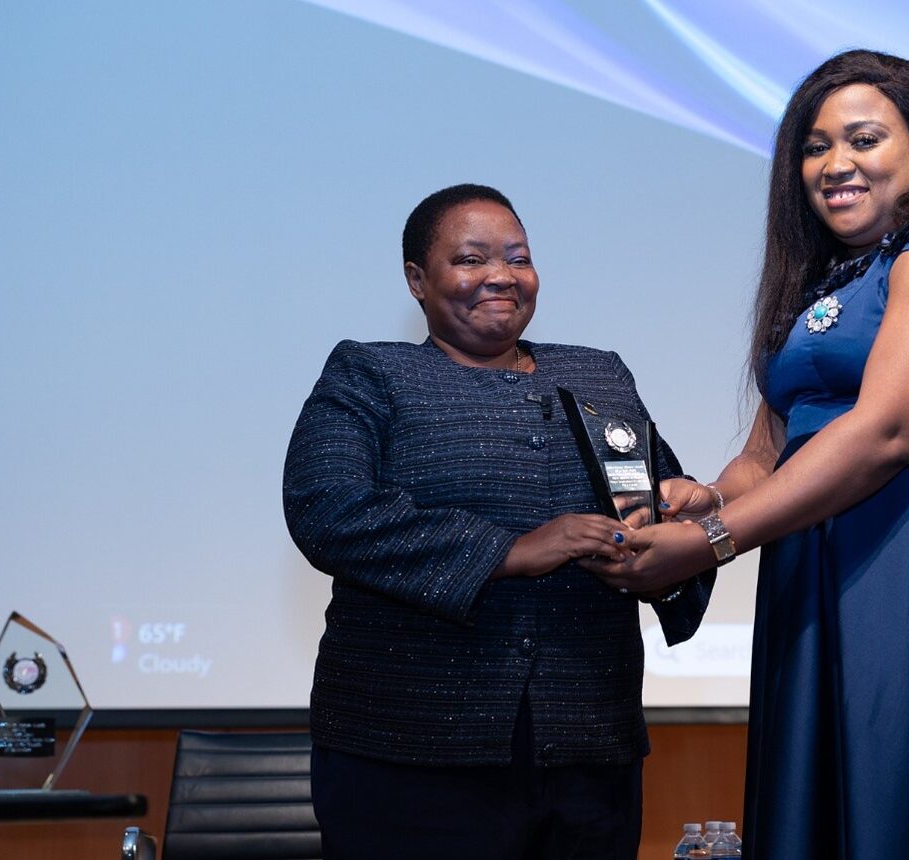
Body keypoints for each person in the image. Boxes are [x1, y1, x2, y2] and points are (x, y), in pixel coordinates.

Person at [593, 51, 909, 858]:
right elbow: (768, 453)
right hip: (820, 559)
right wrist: (705, 501)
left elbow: (885, 432)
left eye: (863, 139)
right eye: (815, 147)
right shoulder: (823, 284)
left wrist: (710, 542)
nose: (834, 163)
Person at [283, 183, 714, 859]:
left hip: (587, 747)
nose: (501, 276)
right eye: (471, 259)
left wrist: (677, 524)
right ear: (417, 280)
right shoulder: (371, 373)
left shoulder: (598, 375)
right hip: (409, 754)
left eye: (518, 258)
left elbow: (649, 507)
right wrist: (510, 551)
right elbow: (327, 509)